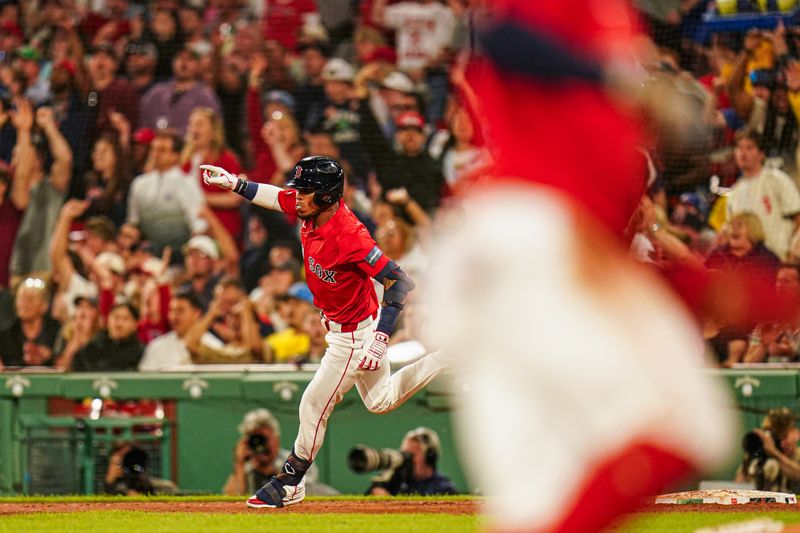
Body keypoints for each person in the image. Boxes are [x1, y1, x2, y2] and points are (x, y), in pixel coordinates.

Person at [422, 2, 736, 532]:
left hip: (532, 246)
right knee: (684, 423)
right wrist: (611, 77)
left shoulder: (618, 23)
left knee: (541, 502)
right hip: (524, 235)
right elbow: (497, 36)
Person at [201, 156, 450, 508]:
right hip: (344, 326)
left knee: (314, 402)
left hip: (354, 335)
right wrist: (234, 183)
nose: (298, 197)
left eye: (306, 192)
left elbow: (399, 282)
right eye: (299, 190)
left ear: (327, 196)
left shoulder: (350, 234)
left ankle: (291, 479)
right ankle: (445, 357)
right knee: (379, 401)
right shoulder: (311, 212)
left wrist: (379, 340)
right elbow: (276, 198)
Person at [222, 408, 336, 497]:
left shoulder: (296, 460)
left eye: (263, 438)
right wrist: (239, 466)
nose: (260, 444)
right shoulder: (246, 468)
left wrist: (274, 473)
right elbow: (230, 499)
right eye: (254, 438)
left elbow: (308, 492)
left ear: (276, 439)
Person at [368, 427, 457, 496]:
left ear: (430, 457)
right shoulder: (397, 480)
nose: (407, 459)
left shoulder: (443, 488)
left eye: (412, 455)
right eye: (405, 454)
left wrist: (389, 503)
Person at [735, 407, 800, 493]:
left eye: (784, 436)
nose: (781, 443)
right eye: (776, 437)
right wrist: (750, 456)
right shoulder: (760, 457)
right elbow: (738, 486)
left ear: (796, 433)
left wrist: (775, 453)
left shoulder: (797, 456)